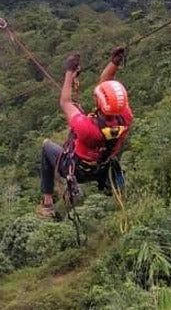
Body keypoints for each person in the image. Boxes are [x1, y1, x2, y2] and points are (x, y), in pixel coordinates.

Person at [37, 47, 133, 218]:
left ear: (99, 103)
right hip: (102, 168)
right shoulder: (125, 118)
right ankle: (113, 188)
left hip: (77, 171)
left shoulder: (87, 127)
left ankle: (47, 203)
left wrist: (68, 73)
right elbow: (106, 81)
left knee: (46, 147)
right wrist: (114, 64)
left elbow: (65, 102)